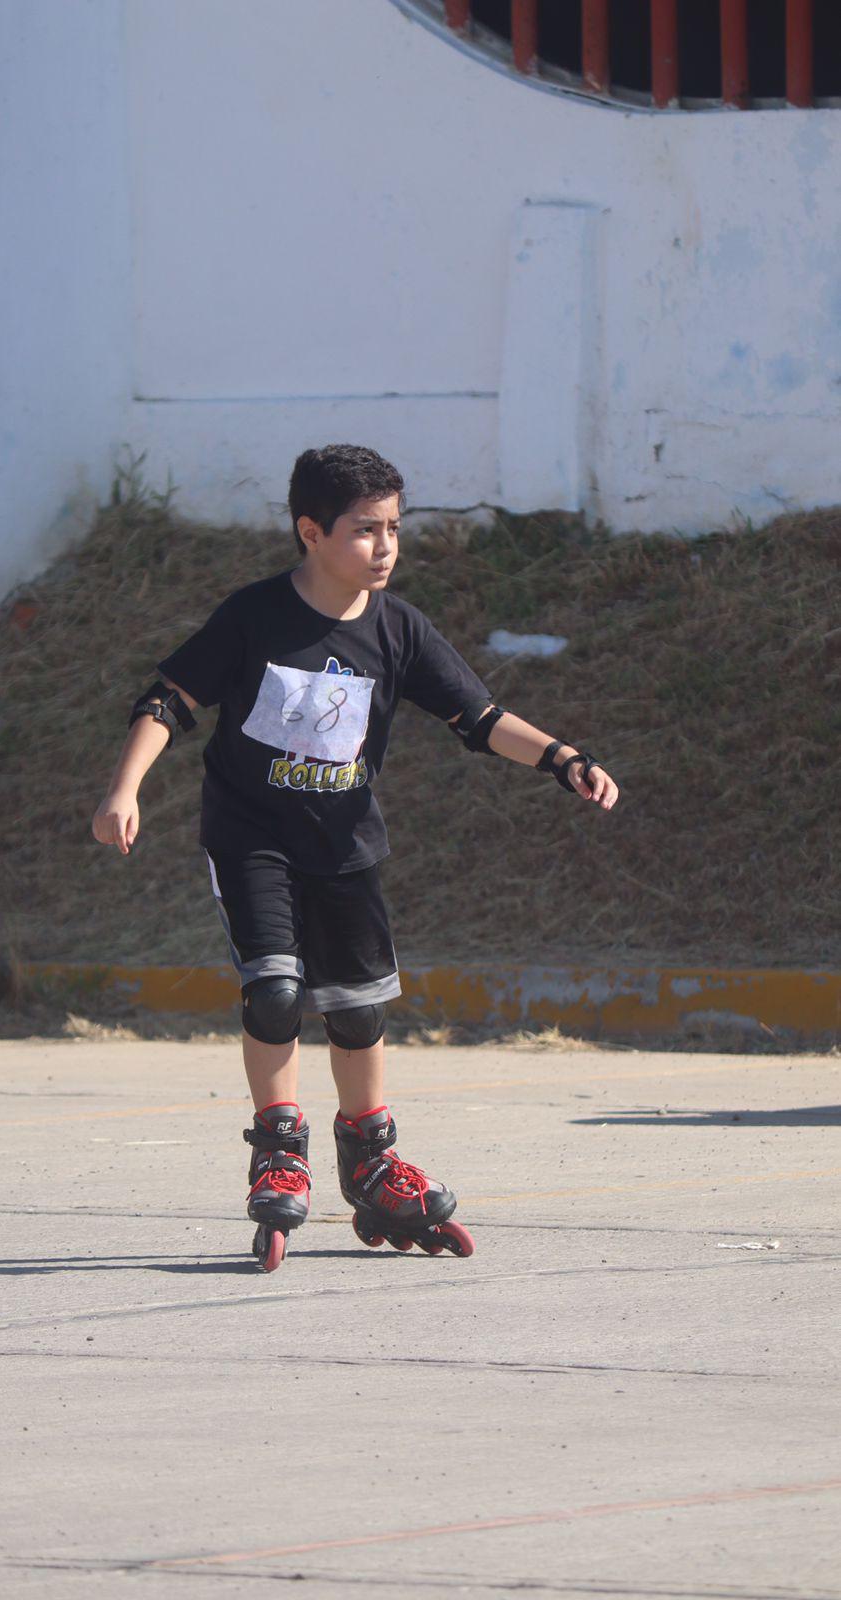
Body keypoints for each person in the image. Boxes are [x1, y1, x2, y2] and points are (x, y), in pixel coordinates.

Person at [93, 444, 619, 1271]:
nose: (385, 547)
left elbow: (480, 718)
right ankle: (279, 1145)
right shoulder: (254, 617)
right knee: (274, 990)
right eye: (365, 531)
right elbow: (168, 700)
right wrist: (123, 790)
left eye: (394, 529)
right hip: (251, 838)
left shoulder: (398, 628)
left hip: (344, 847)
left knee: (358, 1008)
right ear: (311, 532)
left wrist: (563, 758)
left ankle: (370, 1160)